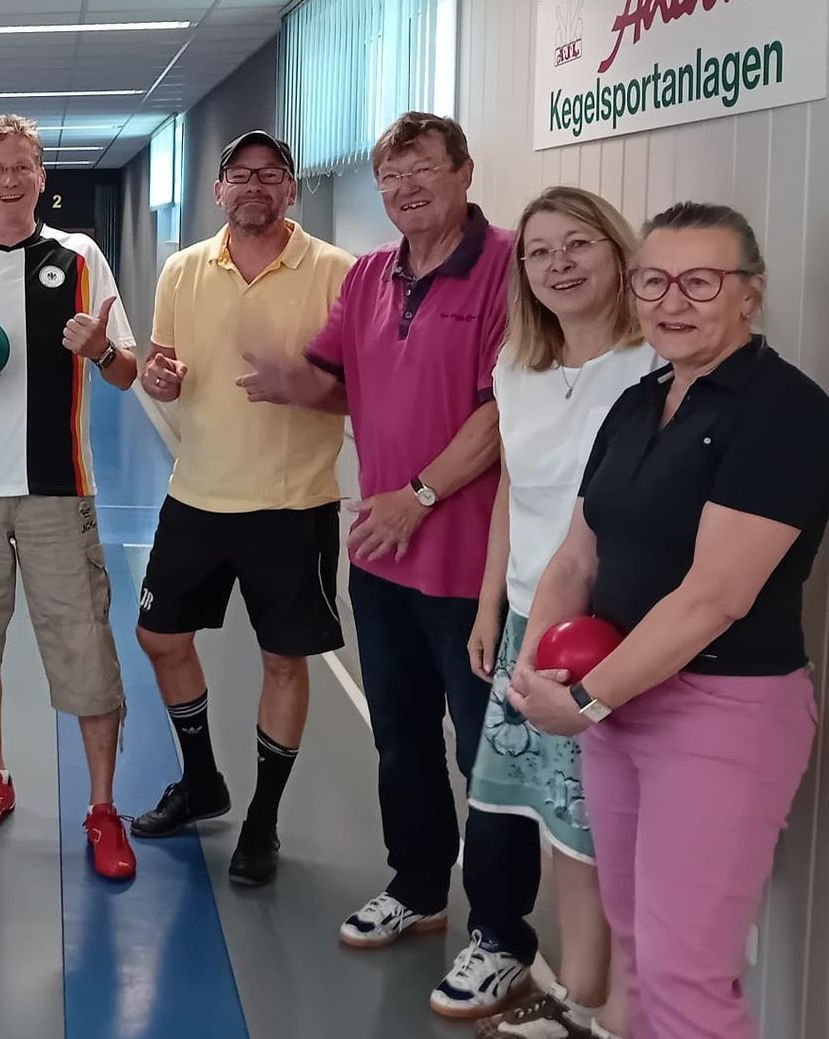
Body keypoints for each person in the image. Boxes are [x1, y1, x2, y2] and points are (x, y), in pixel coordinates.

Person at [239, 112, 541, 1017]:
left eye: (423, 170)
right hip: (382, 556)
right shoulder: (370, 275)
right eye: (391, 176)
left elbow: (502, 412)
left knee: (486, 755)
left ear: (464, 171)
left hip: (473, 568)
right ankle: (417, 885)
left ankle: (501, 934)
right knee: (398, 736)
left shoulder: (508, 267)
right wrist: (291, 382)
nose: (406, 190)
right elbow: (335, 378)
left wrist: (419, 493)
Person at [512, 202, 829, 1039]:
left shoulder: (783, 411)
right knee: (636, 949)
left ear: (749, 294)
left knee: (685, 975)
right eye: (652, 280)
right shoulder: (638, 401)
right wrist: (534, 665)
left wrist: (584, 700)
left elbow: (714, 595)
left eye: (699, 281)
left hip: (721, 713)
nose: (671, 300)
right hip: (620, 708)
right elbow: (575, 558)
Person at [0, 114, 142, 881]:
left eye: (23, 167)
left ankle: (102, 807)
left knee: (84, 648)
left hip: (56, 486)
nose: (10, 179)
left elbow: (126, 372)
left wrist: (99, 349)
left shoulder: (79, 257)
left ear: (42, 178)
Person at [131, 130, 354, 887]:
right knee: (159, 636)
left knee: (282, 659)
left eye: (271, 173)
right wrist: (158, 379)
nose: (254, 184)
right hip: (196, 491)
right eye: (240, 173)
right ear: (218, 189)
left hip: (292, 504)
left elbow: (364, 390)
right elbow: (161, 366)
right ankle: (201, 781)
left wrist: (304, 387)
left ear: (291, 188)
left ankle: (263, 819)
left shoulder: (336, 272)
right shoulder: (183, 269)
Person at [467, 187, 651, 1039]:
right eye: (538, 252)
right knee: (560, 824)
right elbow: (513, 489)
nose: (558, 264)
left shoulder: (653, 365)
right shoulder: (518, 367)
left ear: (616, 251)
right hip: (531, 622)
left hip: (619, 631)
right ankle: (578, 995)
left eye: (577, 244)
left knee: (609, 826)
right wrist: (490, 605)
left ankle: (615, 1009)